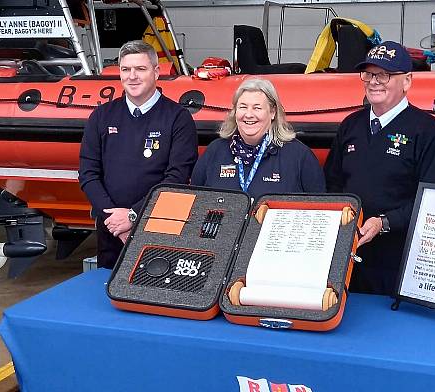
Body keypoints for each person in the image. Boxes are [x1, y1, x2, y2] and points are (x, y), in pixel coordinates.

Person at [324, 41, 435, 295]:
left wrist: (385, 222)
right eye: (368, 74)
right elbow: (332, 183)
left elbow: (433, 198)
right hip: (348, 258)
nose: (374, 81)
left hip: (396, 262)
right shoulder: (350, 126)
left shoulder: (426, 130)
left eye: (384, 75)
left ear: (407, 81)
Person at [79, 40, 198, 269]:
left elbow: (177, 178)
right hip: (111, 231)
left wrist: (133, 216)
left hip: (158, 228)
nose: (132, 76)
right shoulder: (101, 116)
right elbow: (88, 174)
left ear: (156, 72)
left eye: (140, 69)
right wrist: (114, 220)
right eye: (126, 69)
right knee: (107, 294)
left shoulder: (177, 118)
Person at [191, 78, 325, 199]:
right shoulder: (215, 151)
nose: (249, 114)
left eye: (257, 108)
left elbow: (320, 207)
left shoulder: (299, 156)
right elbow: (194, 200)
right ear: (235, 112)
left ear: (272, 112)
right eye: (243, 107)